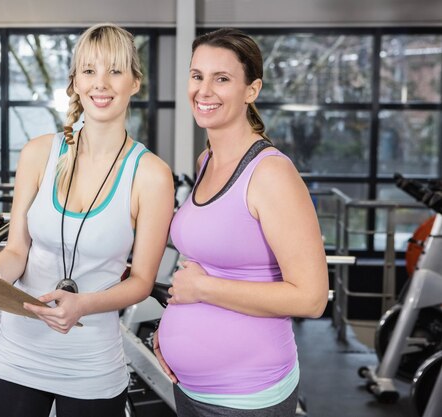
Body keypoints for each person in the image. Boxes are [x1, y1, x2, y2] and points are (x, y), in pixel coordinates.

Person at [0, 23, 174, 417]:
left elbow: (142, 281)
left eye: (115, 70)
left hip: (90, 364)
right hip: (19, 355)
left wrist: (84, 305)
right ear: (74, 82)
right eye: (89, 71)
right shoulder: (39, 153)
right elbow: (17, 251)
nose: (101, 84)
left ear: (135, 83)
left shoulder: (151, 175)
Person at [153, 28, 328, 417]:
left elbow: (311, 298)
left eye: (222, 79)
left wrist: (203, 290)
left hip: (247, 396)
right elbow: (200, 267)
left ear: (252, 89)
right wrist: (168, 330)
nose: (204, 90)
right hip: (190, 388)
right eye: (197, 76)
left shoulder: (271, 174)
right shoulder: (206, 161)